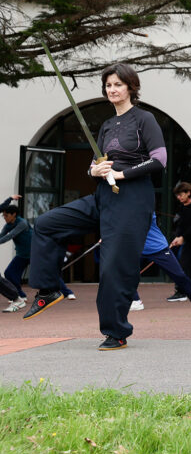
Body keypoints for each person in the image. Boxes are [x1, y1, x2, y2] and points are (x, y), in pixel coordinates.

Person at [24, 64, 166, 351]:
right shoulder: (107, 125)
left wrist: (122, 174)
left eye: (118, 85)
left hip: (132, 200)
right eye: (108, 85)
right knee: (47, 223)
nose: (112, 90)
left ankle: (116, 332)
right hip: (103, 196)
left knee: (115, 267)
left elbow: (159, 160)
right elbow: (94, 163)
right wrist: (95, 172)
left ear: (130, 87)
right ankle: (49, 288)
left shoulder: (144, 119)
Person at [2, 198, 76, 311]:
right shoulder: (7, 226)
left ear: (14, 215)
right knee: (9, 273)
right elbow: (2, 235)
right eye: (3, 216)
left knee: (49, 272)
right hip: (22, 254)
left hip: (34, 253)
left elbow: (10, 236)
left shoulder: (22, 223)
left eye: (6, 215)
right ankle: (21, 295)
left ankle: (68, 292)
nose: (5, 218)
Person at [129, 214, 191, 310]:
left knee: (178, 274)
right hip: (138, 250)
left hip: (158, 248)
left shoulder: (146, 209)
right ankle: (135, 301)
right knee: (126, 274)